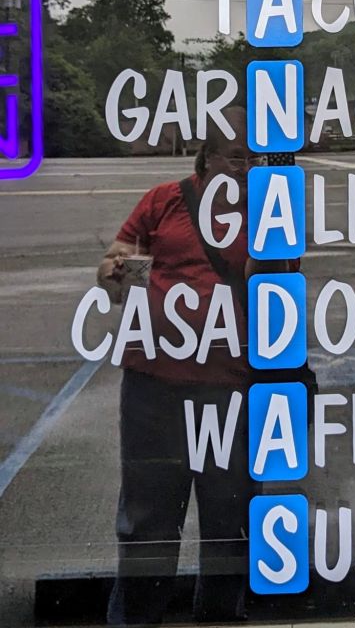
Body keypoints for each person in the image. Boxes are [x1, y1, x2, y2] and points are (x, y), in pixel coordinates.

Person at [98, 108, 262, 625]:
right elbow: (119, 252)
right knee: (146, 517)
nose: (246, 169)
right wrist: (114, 269)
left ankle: (220, 615)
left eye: (255, 160)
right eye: (236, 158)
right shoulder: (164, 199)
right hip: (154, 382)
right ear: (206, 158)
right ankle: (136, 618)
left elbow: (276, 285)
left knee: (229, 516)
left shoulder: (265, 209)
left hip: (229, 384)